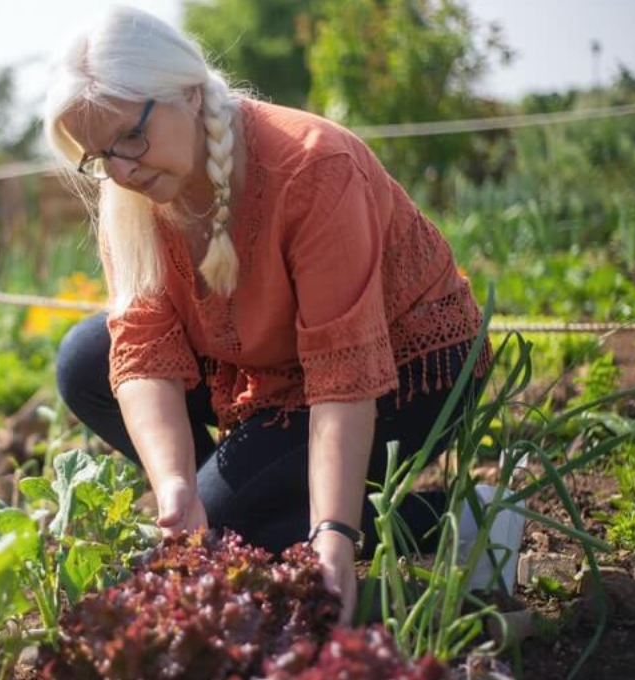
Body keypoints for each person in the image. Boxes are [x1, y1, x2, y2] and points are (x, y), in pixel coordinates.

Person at [42, 6, 493, 625]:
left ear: (191, 95)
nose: (120, 170)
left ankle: (465, 520)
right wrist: (177, 488)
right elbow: (143, 345)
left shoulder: (312, 166)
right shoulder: (134, 195)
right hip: (274, 368)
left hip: (408, 367)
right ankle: (233, 507)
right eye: (99, 156)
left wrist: (333, 533)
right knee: (85, 360)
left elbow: (343, 372)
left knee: (231, 525)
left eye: (130, 137)